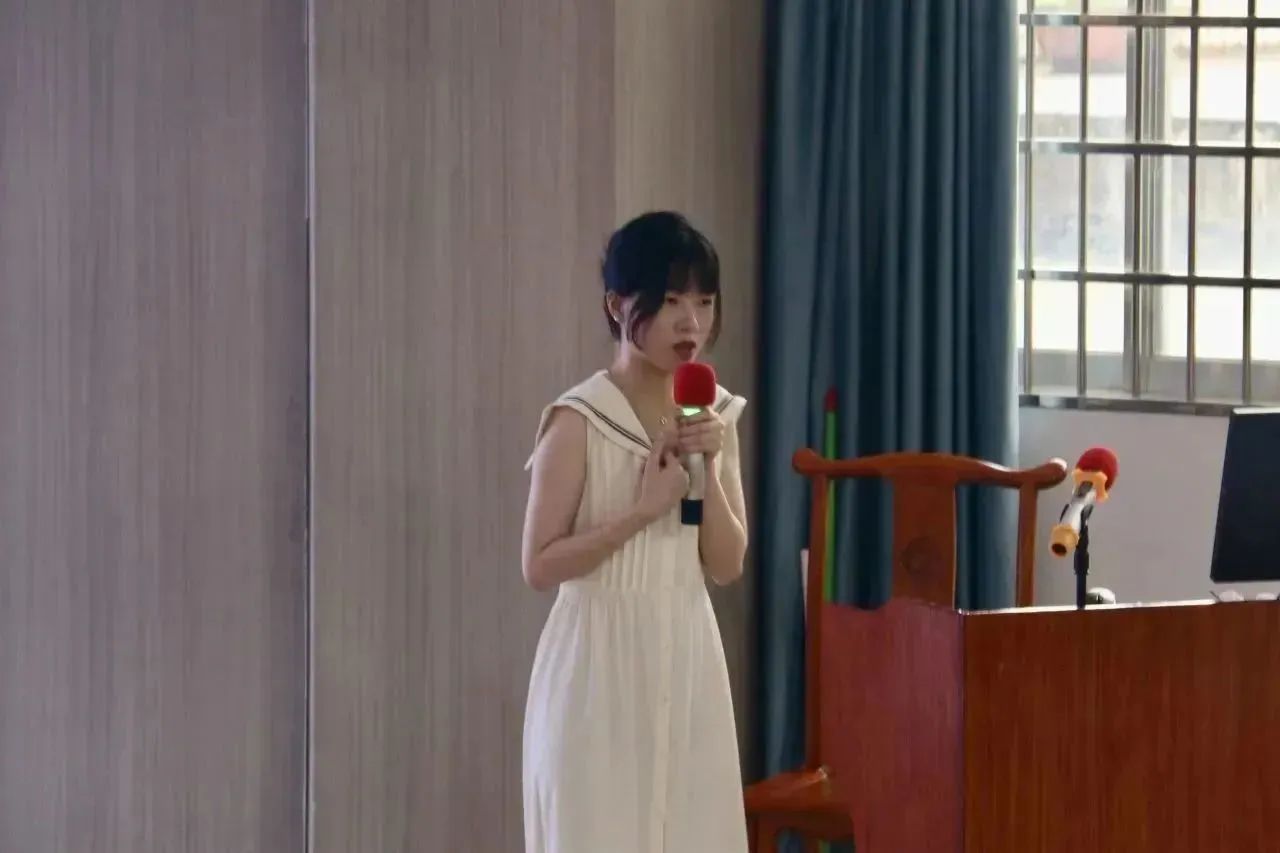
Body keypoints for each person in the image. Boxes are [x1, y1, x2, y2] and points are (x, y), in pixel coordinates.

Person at [521, 211, 750, 852]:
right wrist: (640, 512)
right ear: (618, 306)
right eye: (671, 301)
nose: (692, 323)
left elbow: (727, 563)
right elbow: (538, 564)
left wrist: (707, 472)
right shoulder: (579, 419)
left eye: (704, 302)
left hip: (687, 656)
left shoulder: (714, 416)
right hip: (596, 669)